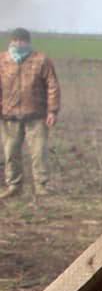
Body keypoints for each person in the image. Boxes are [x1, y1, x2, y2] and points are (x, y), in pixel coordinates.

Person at [0, 28, 60, 198]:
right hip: (9, 116)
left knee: (39, 152)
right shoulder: (2, 60)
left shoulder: (41, 60)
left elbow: (52, 86)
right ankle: (14, 186)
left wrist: (52, 111)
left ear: (28, 42)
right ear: (11, 41)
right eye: (16, 40)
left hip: (36, 115)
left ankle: (41, 186)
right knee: (11, 153)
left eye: (22, 41)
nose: (19, 44)